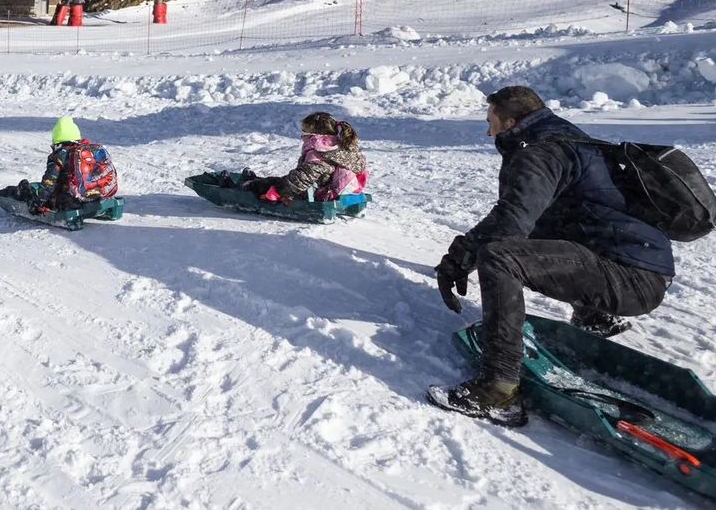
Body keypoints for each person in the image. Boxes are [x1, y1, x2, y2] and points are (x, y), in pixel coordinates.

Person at [428, 86, 673, 427]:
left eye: (492, 122)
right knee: (545, 225)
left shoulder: (540, 152)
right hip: (640, 269)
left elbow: (510, 223)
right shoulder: (565, 137)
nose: (489, 131)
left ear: (512, 121)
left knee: (500, 257)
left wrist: (460, 256)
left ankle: (499, 389)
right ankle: (595, 317)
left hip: (633, 279)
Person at [243, 111, 367, 203]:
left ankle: (247, 185)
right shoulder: (338, 148)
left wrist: (279, 190)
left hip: (314, 194)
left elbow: (301, 179)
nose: (302, 137)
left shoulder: (319, 153)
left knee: (271, 184)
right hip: (323, 188)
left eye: (304, 133)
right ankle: (254, 180)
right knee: (280, 181)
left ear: (314, 136)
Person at [16, 117, 119, 214]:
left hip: (69, 202)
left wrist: (39, 202)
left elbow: (49, 182)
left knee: (25, 187)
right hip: (96, 195)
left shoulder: (59, 155)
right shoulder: (88, 151)